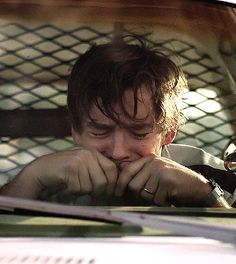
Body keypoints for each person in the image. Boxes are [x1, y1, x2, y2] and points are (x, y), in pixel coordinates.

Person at [0, 36, 235, 208]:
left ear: (169, 132)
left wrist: (205, 194)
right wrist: (32, 177)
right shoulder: (45, 179)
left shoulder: (208, 174)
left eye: (139, 132)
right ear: (76, 131)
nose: (118, 151)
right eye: (100, 131)